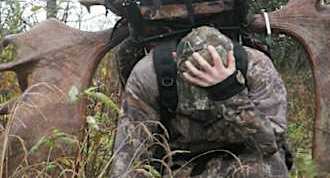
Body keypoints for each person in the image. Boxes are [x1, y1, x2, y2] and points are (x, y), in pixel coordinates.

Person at [109, 26, 289, 178]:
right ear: (174, 58)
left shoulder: (256, 66)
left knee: (272, 167)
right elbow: (129, 154)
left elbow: (270, 144)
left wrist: (229, 91)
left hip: (247, 155)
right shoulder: (149, 74)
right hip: (180, 162)